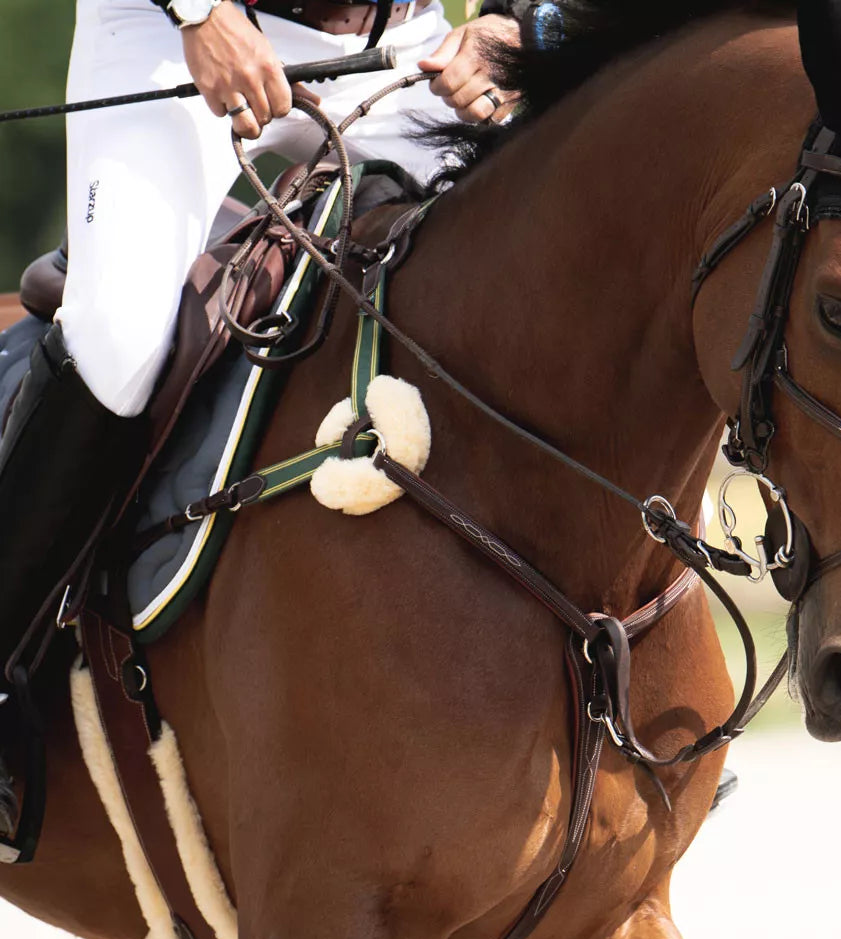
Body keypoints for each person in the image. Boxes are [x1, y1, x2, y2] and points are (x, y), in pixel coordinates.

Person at [0, 0, 531, 842]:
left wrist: (510, 20)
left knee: (566, 226)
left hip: (400, 46)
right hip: (172, 34)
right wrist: (201, 12)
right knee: (122, 339)